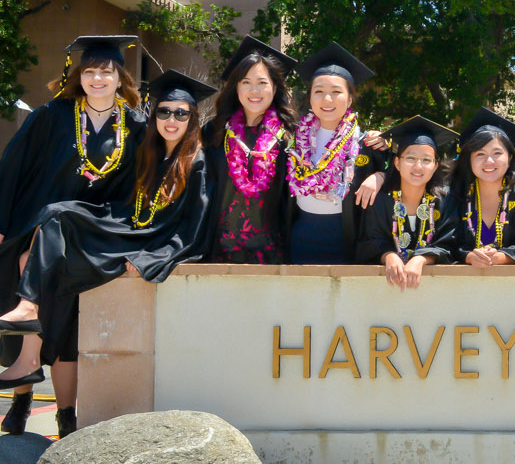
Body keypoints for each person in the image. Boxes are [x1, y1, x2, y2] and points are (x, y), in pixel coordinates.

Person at [0, 70, 215, 438]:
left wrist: (150, 259)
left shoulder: (195, 163)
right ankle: (29, 330)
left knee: (56, 238)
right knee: (55, 216)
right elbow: (121, 200)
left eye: (181, 113)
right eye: (164, 112)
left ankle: (33, 348)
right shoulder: (148, 150)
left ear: (193, 119)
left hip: (144, 240)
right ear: (154, 116)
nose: (171, 120)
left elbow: (192, 233)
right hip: (126, 225)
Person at [0, 35, 146, 437]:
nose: (97, 78)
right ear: (78, 77)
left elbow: (143, 186)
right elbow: (11, 166)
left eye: (106, 71)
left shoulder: (136, 124)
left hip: (96, 228)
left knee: (66, 317)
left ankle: (64, 413)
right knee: (31, 267)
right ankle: (26, 397)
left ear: (121, 79)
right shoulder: (52, 115)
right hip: (40, 223)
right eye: (90, 71)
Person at [285, 42, 388, 264]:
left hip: (348, 239)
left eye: (336, 92)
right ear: (310, 97)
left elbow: (401, 175)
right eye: (319, 91)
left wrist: (381, 175)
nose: (327, 99)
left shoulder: (367, 143)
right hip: (300, 236)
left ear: (350, 99)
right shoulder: (293, 140)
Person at [204, 36, 299, 264]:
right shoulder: (215, 132)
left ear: (275, 87)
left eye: (262, 83)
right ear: (235, 87)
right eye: (245, 82)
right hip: (219, 251)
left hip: (273, 253)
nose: (254, 90)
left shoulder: (291, 136)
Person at [355, 116, 459, 290]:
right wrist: (388, 256)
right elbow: (369, 241)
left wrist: (421, 259)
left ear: (435, 166)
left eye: (426, 160)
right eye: (410, 158)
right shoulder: (380, 200)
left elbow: (450, 243)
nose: (418, 166)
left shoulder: (445, 201)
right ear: (397, 162)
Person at [443, 109, 515, 265]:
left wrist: (503, 257)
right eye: (480, 154)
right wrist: (468, 256)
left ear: (509, 158)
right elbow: (444, 245)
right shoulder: (457, 195)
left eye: (497, 153)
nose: (489, 161)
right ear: (469, 159)